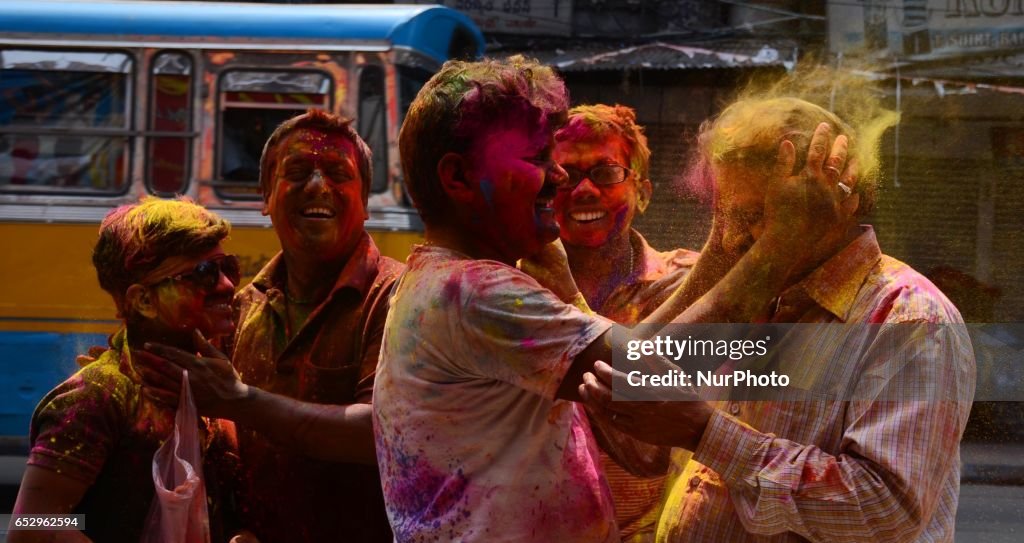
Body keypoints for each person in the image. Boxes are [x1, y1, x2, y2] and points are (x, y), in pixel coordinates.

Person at [371, 56, 852, 542]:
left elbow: (632, 379)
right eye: (538, 159)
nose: (561, 180)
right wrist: (779, 246)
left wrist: (721, 248)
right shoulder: (472, 292)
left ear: (643, 191)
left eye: (604, 173)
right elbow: (640, 376)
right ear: (457, 179)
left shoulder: (454, 283)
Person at [580, 97, 976, 542]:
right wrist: (728, 254)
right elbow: (632, 403)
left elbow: (883, 509)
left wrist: (706, 432)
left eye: (753, 217)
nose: (731, 237)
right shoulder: (755, 295)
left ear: (832, 203)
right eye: (723, 216)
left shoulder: (911, 319)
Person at [138, 109, 401, 542]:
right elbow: (35, 523)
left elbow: (379, 435)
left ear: (366, 199)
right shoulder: (242, 309)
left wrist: (240, 401)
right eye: (297, 172)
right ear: (266, 196)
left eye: (338, 172)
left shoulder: (394, 298)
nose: (318, 186)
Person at [9, 197, 240, 543]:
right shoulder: (96, 397)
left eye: (229, 268)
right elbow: (30, 525)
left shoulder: (214, 391)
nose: (228, 286)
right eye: (205, 274)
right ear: (143, 301)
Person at [552, 103, 698, 541]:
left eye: (606, 173)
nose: (583, 190)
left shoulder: (684, 288)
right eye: (565, 175)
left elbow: (653, 448)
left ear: (644, 192)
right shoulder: (511, 290)